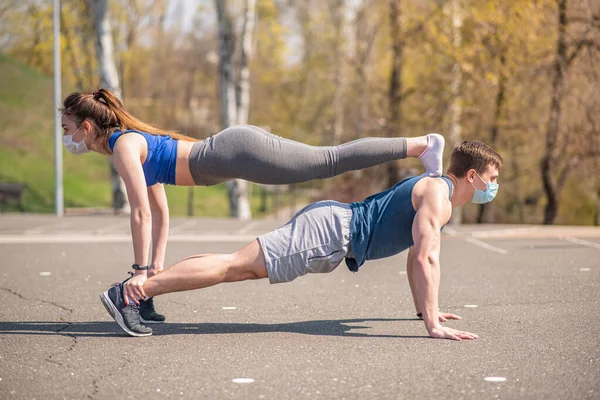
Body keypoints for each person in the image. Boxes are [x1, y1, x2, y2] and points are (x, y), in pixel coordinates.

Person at [62, 88, 445, 324]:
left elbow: (140, 212)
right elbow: (159, 213)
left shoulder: (124, 146)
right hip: (235, 153)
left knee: (329, 160)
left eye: (67, 129)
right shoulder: (130, 143)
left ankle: (421, 145)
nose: (67, 137)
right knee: (327, 161)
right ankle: (143, 300)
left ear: (87, 127)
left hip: (237, 152)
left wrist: (138, 271)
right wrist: (153, 273)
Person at [100, 140, 502, 340]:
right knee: (234, 267)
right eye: (492, 179)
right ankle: (133, 293)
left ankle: (141, 292)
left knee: (236, 265)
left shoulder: (436, 190)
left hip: (331, 228)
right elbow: (425, 260)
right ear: (472, 176)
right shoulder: (439, 196)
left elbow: (417, 254)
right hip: (330, 233)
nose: (493, 186)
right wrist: (433, 324)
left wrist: (424, 312)